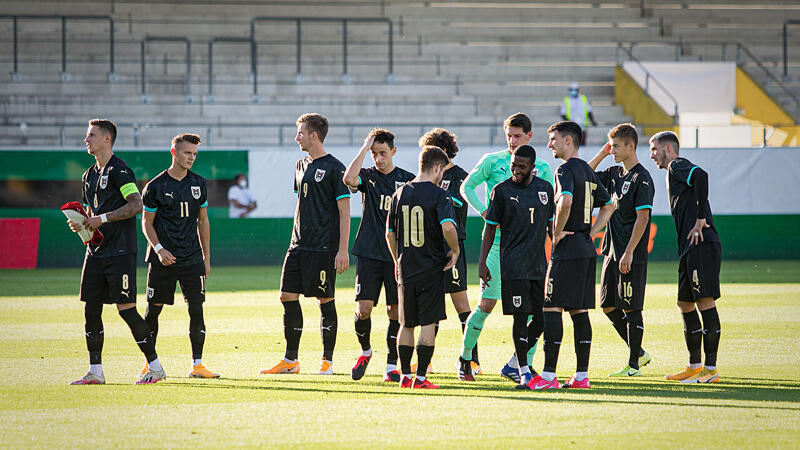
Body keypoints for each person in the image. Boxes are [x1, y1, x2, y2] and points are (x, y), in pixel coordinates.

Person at [67, 118, 165, 385]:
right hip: (95, 251)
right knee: (91, 310)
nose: (86, 140)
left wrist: (102, 219)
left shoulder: (120, 171)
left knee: (127, 310)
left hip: (120, 251)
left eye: (91, 135)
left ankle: (156, 367)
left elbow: (136, 205)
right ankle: (95, 372)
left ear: (107, 139)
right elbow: (91, 212)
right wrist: (81, 222)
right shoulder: (88, 175)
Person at [459, 112, 554, 383]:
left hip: (530, 249)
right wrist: (484, 211)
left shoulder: (543, 169)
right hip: (498, 245)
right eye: (509, 135)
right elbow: (467, 187)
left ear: (529, 136)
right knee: (487, 303)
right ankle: (465, 358)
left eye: (517, 136)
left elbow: (550, 206)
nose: (512, 141)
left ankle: (521, 364)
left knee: (534, 311)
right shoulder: (492, 161)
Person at [523, 121, 614, 390]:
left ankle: (548, 376)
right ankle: (581, 376)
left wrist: (557, 232)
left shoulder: (563, 170)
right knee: (579, 311)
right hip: (585, 249)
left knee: (551, 308)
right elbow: (609, 206)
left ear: (568, 141)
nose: (549, 144)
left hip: (568, 251)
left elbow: (566, 200)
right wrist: (590, 232)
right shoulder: (587, 170)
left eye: (553, 139)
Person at [261, 113, 350, 375]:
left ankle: (327, 361)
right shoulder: (300, 165)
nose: (296, 137)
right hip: (298, 244)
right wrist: (294, 236)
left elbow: (345, 212)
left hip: (324, 247)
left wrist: (342, 250)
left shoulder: (335, 168)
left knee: (325, 299)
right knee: (286, 296)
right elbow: (300, 202)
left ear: (314, 135)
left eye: (300, 133)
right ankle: (291, 361)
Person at [141, 133, 218, 379]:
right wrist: (159, 249)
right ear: (174, 152)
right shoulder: (155, 186)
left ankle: (198, 365)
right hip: (163, 259)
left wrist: (206, 258)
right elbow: (146, 222)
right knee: (153, 311)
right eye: (187, 153)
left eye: (194, 154)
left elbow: (203, 221)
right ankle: (150, 363)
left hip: (191, 259)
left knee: (196, 309)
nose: (191, 158)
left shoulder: (199, 183)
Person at [478, 145, 555, 387]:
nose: (516, 170)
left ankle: (513, 362)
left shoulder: (545, 189)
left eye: (522, 166)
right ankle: (523, 371)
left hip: (539, 266)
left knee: (543, 318)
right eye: (513, 165)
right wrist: (482, 261)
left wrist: (559, 254)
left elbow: (551, 227)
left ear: (533, 167)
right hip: (513, 266)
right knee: (521, 318)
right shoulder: (501, 191)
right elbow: (490, 227)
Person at [649, 131, 722, 384]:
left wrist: (701, 218)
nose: (652, 154)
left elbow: (701, 175)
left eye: (654, 149)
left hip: (701, 243)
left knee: (705, 301)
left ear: (668, 149)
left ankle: (710, 370)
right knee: (685, 303)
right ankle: (694, 366)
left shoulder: (677, 165)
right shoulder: (673, 171)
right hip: (689, 247)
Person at [343, 128, 415, 382]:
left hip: (396, 255)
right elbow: (348, 179)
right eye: (374, 153)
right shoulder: (367, 176)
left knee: (394, 311)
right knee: (363, 309)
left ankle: (391, 366)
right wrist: (364, 148)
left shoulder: (407, 180)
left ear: (393, 151)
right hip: (368, 252)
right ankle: (365, 352)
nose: (378, 158)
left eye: (383, 153)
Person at [386, 145, 460, 389]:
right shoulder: (440, 195)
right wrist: (456, 250)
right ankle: (420, 378)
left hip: (406, 267)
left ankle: (405, 376)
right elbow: (448, 227)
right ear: (437, 168)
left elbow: (389, 234)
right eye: (443, 171)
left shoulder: (399, 194)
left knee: (406, 324)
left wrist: (397, 259)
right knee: (428, 323)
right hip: (430, 267)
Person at [587, 124, 654, 377]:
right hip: (611, 251)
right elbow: (584, 176)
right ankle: (639, 352)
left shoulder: (641, 178)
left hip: (629, 253)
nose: (612, 150)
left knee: (630, 307)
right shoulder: (613, 173)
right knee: (607, 305)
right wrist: (602, 154)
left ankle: (634, 365)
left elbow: (643, 218)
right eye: (611, 146)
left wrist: (629, 252)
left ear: (630, 146)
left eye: (616, 146)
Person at [417, 128, 475, 377]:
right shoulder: (427, 176)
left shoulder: (461, 177)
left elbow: (456, 206)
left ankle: (471, 359)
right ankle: (426, 361)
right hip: (429, 248)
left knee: (461, 303)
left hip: (452, 247)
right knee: (431, 304)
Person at [560, 82, 598, 147]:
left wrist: (593, 121)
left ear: (578, 90)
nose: (573, 91)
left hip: (582, 127)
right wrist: (570, 124)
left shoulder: (583, 99)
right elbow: (563, 114)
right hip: (571, 129)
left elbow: (589, 111)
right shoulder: (566, 100)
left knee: (582, 146)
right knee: (572, 146)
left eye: (575, 89)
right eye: (571, 89)